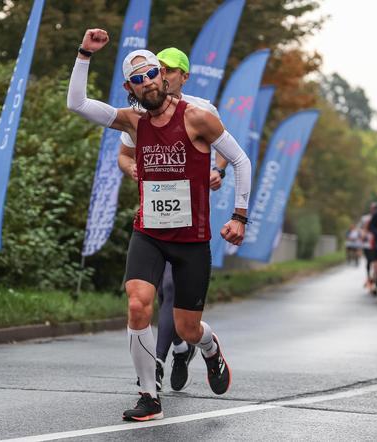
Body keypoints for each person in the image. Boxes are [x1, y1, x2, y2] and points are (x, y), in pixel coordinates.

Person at [67, 29, 251, 421]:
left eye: (151, 74)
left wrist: (240, 216)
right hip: (149, 232)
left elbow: (240, 161)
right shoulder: (132, 123)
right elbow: (78, 103)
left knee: (187, 329)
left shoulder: (198, 117)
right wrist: (84, 54)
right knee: (138, 305)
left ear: (163, 76)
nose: (147, 82)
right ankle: (149, 395)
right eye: (137, 79)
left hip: (192, 239)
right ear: (129, 86)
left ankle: (209, 347)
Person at [117, 47, 228, 392]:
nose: (155, 76)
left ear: (181, 76)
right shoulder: (140, 112)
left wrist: (217, 170)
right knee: (146, 296)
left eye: (165, 70)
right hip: (152, 222)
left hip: (190, 220)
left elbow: (228, 150)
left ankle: (188, 346)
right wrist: (132, 167)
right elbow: (124, 153)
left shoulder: (200, 110)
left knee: (177, 303)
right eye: (153, 70)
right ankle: (156, 371)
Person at [359, 203, 377, 294]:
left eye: (375, 208)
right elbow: (362, 230)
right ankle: (369, 278)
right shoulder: (365, 218)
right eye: (373, 208)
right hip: (368, 244)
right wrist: (362, 236)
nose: (374, 210)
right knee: (369, 262)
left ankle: (373, 281)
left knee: (375, 263)